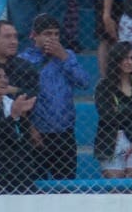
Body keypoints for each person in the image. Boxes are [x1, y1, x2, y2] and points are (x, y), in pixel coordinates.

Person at [17, 15, 90, 180]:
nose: (53, 38)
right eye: (48, 34)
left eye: (56, 34)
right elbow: (17, 98)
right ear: (34, 35)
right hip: (37, 133)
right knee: (36, 184)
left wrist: (64, 57)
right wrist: (30, 128)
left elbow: (84, 82)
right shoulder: (24, 60)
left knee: (66, 185)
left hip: (64, 133)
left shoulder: (67, 55)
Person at [94, 41, 132, 180]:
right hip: (112, 140)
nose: (129, 62)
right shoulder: (103, 86)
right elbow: (107, 116)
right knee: (115, 191)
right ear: (116, 60)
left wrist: (120, 109)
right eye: (125, 58)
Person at [0, 56, 38, 191]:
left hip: (17, 168)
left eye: (5, 76)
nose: (4, 80)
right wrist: (13, 116)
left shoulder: (9, 102)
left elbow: (23, 137)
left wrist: (22, 117)